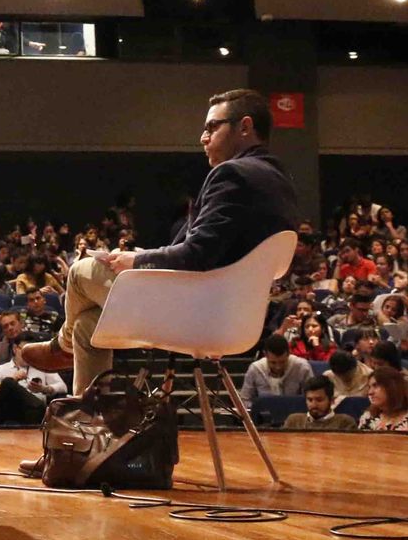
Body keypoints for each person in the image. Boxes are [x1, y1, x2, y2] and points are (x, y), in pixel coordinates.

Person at [21, 89, 300, 394]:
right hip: (235, 317)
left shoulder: (232, 173)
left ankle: (61, 346)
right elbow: (219, 253)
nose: (203, 138)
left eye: (211, 127)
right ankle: (90, 417)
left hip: (195, 313)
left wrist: (137, 261)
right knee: (88, 326)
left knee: (80, 272)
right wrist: (147, 255)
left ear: (244, 127)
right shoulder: (280, 179)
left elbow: (198, 255)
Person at [0, 358, 67, 426]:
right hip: (10, 412)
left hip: (36, 410)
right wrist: (12, 379)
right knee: (7, 383)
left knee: (8, 383)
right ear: (15, 349)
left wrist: (43, 389)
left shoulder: (41, 367)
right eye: (24, 351)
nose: (28, 356)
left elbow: (63, 387)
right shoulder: (2, 369)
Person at [241, 334, 313, 401]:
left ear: (289, 354)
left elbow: (311, 397)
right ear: (265, 355)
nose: (278, 367)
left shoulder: (302, 367)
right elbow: (245, 399)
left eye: (282, 362)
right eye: (273, 362)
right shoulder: (255, 369)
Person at [282, 376, 358, 432]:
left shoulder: (344, 422)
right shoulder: (294, 421)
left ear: (331, 400)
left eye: (319, 400)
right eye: (310, 400)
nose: (314, 404)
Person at [357, 368, 408, 433]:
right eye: (369, 387)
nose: (370, 392)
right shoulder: (368, 417)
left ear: (392, 387)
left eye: (375, 386)